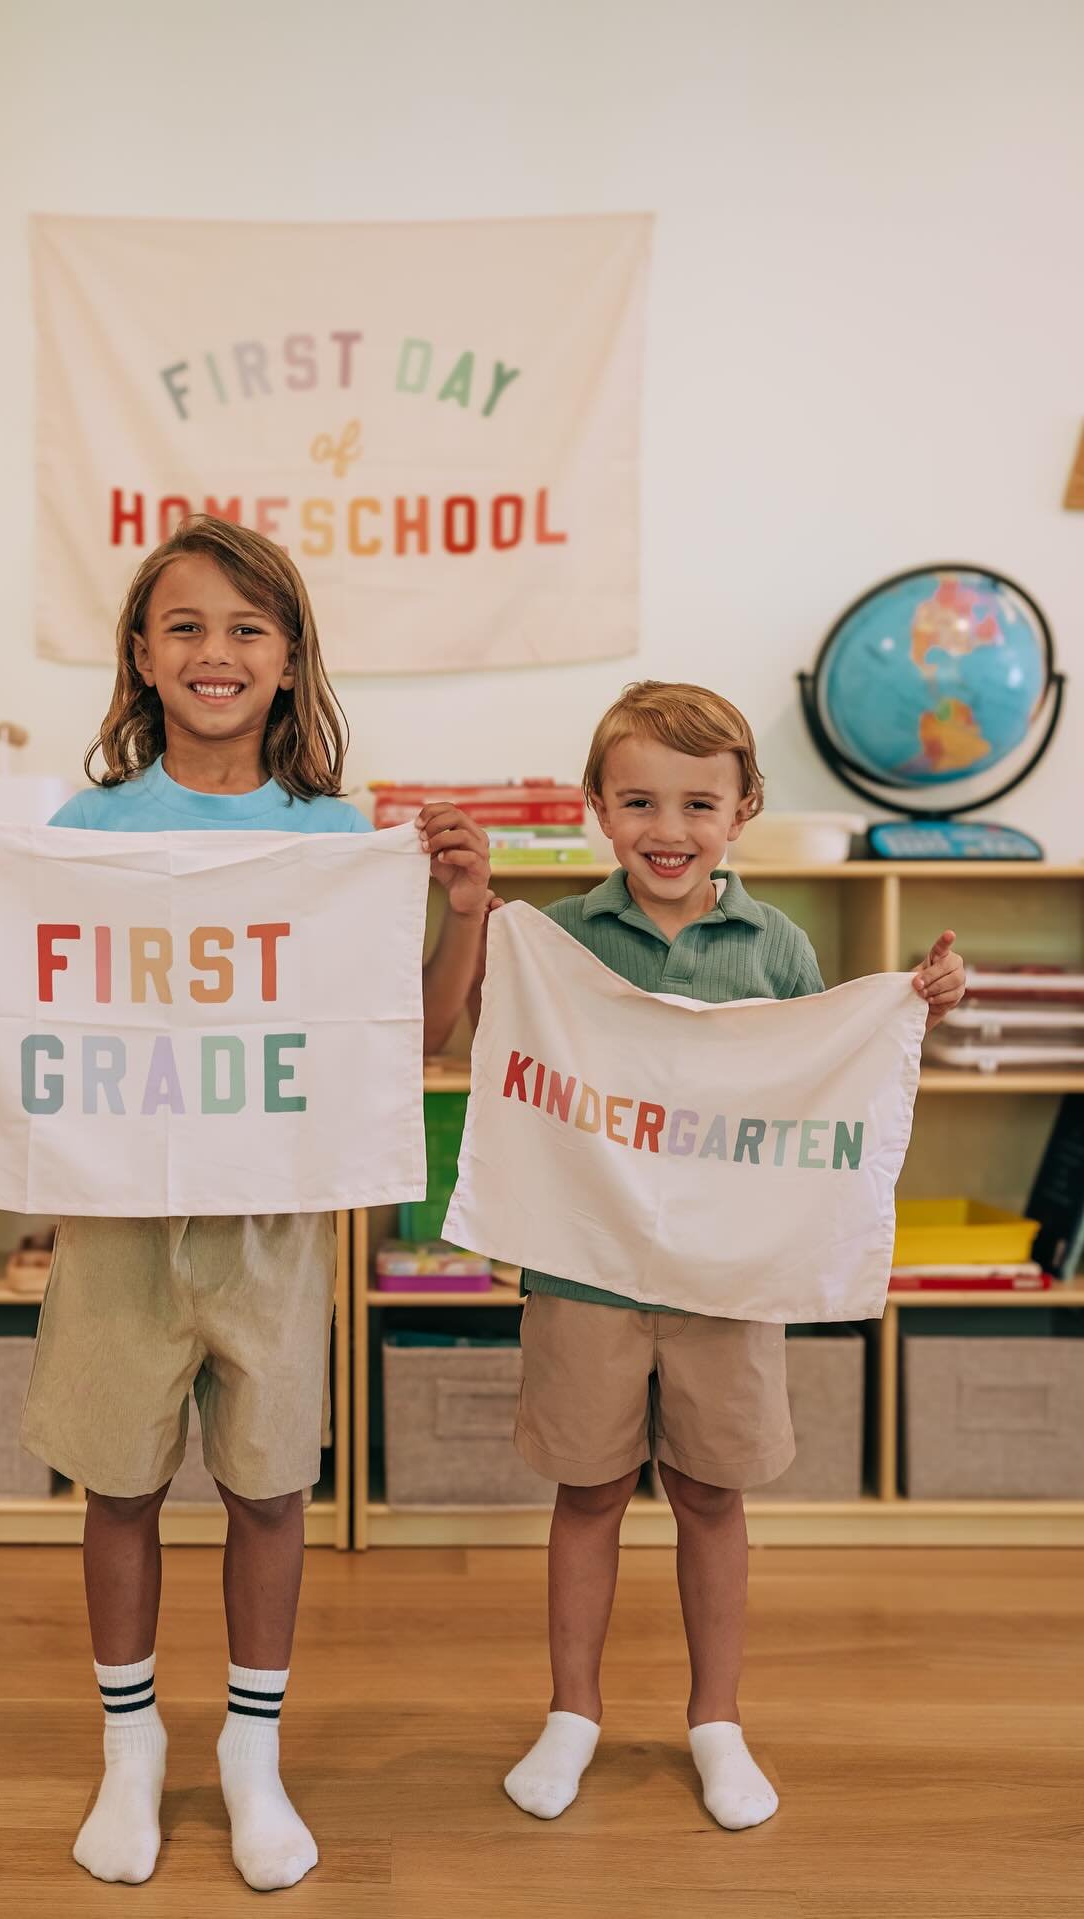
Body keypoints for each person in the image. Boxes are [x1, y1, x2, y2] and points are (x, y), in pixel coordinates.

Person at [0, 515, 490, 1892]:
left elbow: (413, 1043)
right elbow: (6, 1004)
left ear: (289, 657)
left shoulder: (336, 834)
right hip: (117, 1226)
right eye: (187, 625)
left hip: (272, 1234)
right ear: (142, 655)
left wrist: (465, 908)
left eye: (248, 628)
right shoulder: (89, 829)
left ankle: (252, 1752)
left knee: (270, 1488)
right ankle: (129, 1742)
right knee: (121, 1481)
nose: (217, 651)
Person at [495, 681, 965, 1832]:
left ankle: (717, 1719)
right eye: (640, 800)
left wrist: (914, 1008)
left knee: (712, 1491)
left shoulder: (780, 943)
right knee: (589, 1489)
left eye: (699, 802)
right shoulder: (553, 938)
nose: (670, 827)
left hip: (730, 1277)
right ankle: (572, 1711)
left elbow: (821, 1078)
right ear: (596, 809)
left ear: (743, 808)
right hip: (588, 1267)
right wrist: (472, 913)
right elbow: (496, 1048)